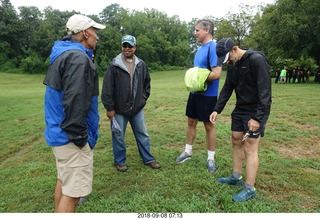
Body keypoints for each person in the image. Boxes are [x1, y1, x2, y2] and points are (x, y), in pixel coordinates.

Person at [43, 14, 105, 212]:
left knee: (64, 181)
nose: (97, 37)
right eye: (95, 32)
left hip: (59, 133)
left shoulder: (63, 53)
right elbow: (75, 102)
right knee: (73, 193)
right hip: (70, 137)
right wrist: (80, 137)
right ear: (85, 33)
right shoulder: (77, 59)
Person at [209, 38, 271, 202]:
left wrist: (257, 118)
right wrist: (217, 109)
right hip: (240, 108)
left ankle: (249, 188)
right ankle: (236, 176)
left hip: (256, 110)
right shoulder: (232, 65)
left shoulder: (257, 60)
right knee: (236, 140)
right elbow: (227, 88)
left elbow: (265, 93)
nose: (227, 61)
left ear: (235, 48)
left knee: (250, 147)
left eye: (228, 57)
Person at [101, 35, 160, 172]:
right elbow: (107, 88)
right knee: (118, 136)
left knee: (143, 134)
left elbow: (147, 86)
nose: (127, 48)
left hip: (137, 109)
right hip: (118, 110)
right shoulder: (114, 65)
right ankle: (120, 161)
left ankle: (148, 159)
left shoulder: (141, 65)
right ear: (122, 47)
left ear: (135, 47)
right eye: (124, 45)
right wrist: (110, 108)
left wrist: (142, 100)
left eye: (130, 46)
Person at [176, 19, 222, 172]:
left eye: (197, 30)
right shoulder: (200, 49)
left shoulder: (213, 48)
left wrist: (197, 77)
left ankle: (211, 158)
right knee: (191, 121)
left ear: (206, 30)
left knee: (209, 126)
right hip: (195, 93)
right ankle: (188, 152)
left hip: (208, 95)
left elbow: (216, 74)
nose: (195, 33)